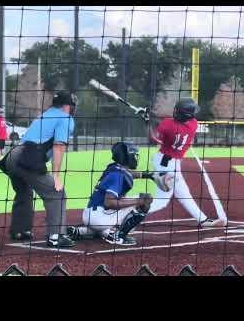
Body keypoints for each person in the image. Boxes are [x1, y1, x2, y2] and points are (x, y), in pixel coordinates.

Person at [0, 91, 78, 247]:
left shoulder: (45, 115)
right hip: (26, 157)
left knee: (24, 191)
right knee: (56, 192)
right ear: (67, 106)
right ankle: (55, 236)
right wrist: (56, 175)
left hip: (12, 156)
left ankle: (20, 230)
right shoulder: (65, 118)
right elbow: (59, 147)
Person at [67, 141, 170, 246]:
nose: (135, 157)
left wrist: (148, 175)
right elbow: (109, 203)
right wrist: (139, 201)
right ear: (126, 157)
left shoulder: (113, 168)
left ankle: (80, 231)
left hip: (90, 214)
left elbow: (128, 174)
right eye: (133, 155)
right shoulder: (118, 176)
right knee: (146, 198)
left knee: (105, 223)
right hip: (100, 217)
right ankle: (119, 236)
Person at [147, 98, 225, 227]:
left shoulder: (166, 124)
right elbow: (170, 125)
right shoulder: (193, 124)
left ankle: (203, 220)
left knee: (184, 194)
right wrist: (151, 119)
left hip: (164, 161)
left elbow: (153, 138)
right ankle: (124, 215)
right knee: (162, 201)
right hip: (168, 165)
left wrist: (147, 122)